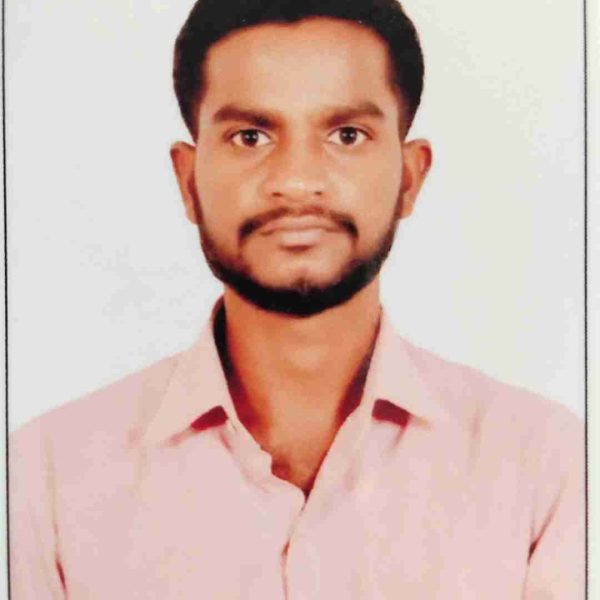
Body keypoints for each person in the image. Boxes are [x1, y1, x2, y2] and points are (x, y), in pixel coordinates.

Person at [9, 0, 584, 598]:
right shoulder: (44, 483)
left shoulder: (546, 468)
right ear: (188, 181)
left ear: (410, 178)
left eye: (347, 135)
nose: (296, 180)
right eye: (251, 136)